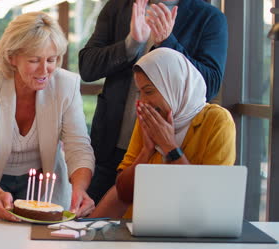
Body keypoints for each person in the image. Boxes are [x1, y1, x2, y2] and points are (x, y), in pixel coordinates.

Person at [0, 12, 95, 221]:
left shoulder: (67, 85)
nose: (44, 70)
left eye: (51, 59)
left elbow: (78, 147)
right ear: (12, 57)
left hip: (40, 183)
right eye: (34, 60)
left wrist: (79, 189)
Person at [78, 0, 228, 205]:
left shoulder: (209, 17)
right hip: (110, 144)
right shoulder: (118, 7)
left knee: (155, 220)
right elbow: (87, 68)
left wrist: (168, 42)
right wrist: (130, 45)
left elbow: (210, 84)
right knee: (91, 223)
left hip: (170, 145)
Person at [89, 48, 236, 218]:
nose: (143, 101)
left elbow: (208, 202)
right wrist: (145, 152)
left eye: (149, 91)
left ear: (174, 85)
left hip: (192, 234)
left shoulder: (217, 121)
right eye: (140, 92)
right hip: (140, 227)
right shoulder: (151, 117)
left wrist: (169, 147)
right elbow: (123, 192)